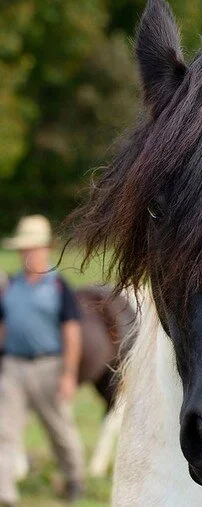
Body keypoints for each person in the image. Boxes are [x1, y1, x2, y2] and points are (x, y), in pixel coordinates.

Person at [0, 215, 85, 505]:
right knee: (4, 429)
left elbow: (71, 332)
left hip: (48, 366)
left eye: (34, 247)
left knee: (58, 428)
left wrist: (69, 374)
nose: (29, 253)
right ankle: (5, 492)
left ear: (46, 249)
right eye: (25, 248)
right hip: (13, 366)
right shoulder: (12, 286)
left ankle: (75, 478)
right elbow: (3, 325)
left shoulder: (59, 286)